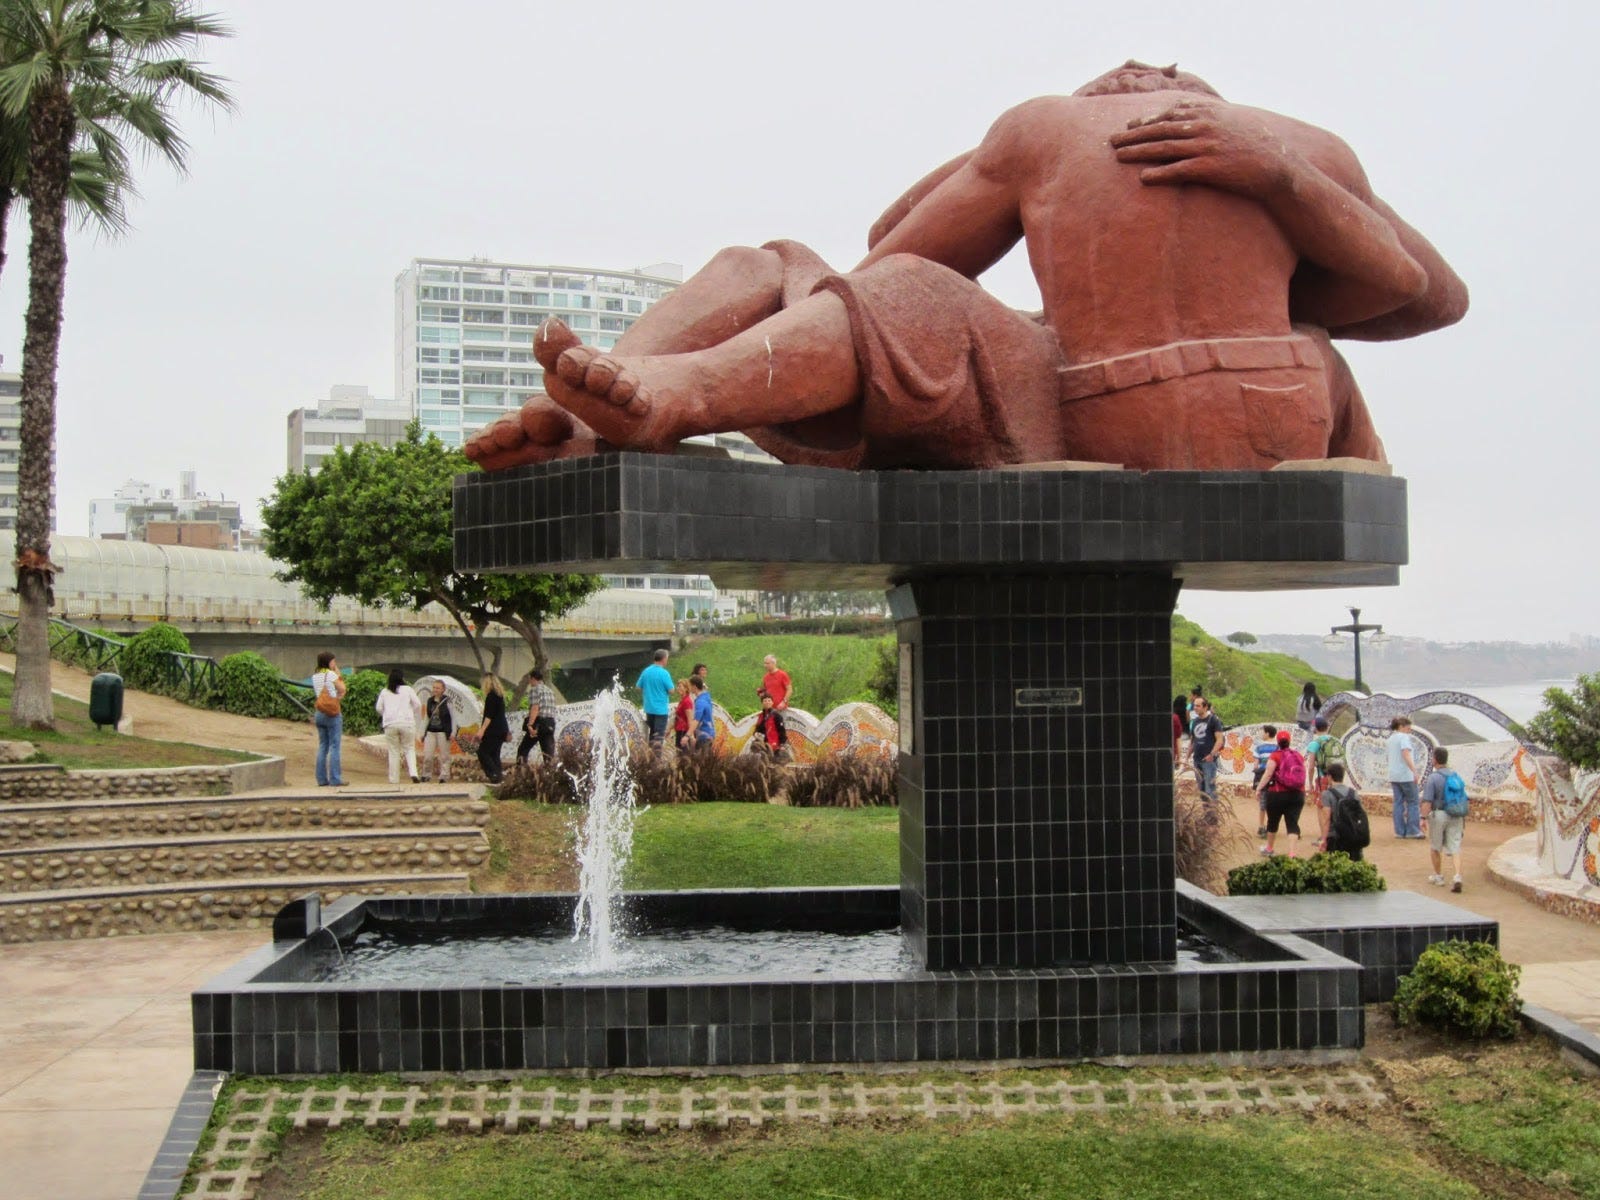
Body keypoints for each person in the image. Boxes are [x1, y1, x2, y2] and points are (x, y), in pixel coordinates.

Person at [465, 61, 1465, 474]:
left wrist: (1002, 154)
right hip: (1269, 421)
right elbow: (1428, 295)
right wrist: (1281, 179)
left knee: (827, 277)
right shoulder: (1304, 147)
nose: (1138, 83)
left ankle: (664, 393)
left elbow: (893, 254)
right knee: (800, 274)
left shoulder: (1052, 129)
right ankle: (592, 416)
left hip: (1091, 417)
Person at [1421, 746, 1467, 892]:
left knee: (1435, 846)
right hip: (1456, 814)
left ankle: (1438, 876)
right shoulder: (1455, 775)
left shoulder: (1433, 778)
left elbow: (1427, 801)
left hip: (1439, 814)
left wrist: (1423, 818)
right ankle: (1457, 876)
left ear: (1435, 759)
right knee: (1455, 847)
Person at [1255, 729, 1306, 857]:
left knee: (1272, 822)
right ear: (1289, 741)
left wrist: (1259, 788)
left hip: (1277, 794)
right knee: (1292, 823)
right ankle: (1292, 853)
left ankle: (1269, 848)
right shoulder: (1298, 755)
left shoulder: (1275, 756)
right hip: (1297, 794)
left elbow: (1268, 774)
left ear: (1278, 742)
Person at [375, 669, 423, 784]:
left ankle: (394, 779)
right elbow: (418, 704)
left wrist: (386, 714)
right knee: (409, 748)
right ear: (402, 678)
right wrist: (411, 712)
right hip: (407, 723)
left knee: (393, 751)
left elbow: (378, 708)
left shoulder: (385, 691)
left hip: (390, 724)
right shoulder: (408, 689)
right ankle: (413, 773)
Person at [1316, 762, 1367, 861]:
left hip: (1335, 836)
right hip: (1353, 835)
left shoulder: (1327, 794)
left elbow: (1327, 819)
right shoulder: (1353, 793)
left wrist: (1323, 839)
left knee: (1334, 864)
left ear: (1330, 777)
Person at [311, 651, 347, 787]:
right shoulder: (331, 675)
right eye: (333, 661)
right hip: (332, 713)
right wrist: (337, 672)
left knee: (323, 746)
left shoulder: (315, 676)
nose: (335, 663)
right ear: (329, 662)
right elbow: (342, 688)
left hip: (320, 712)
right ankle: (335, 779)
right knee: (334, 746)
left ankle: (321, 779)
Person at [1386, 715, 1422, 838]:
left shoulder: (1390, 739)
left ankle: (1399, 831)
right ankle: (1413, 830)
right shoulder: (1404, 737)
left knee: (1398, 803)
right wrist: (1414, 771)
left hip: (1394, 775)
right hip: (1405, 775)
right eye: (1408, 728)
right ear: (1401, 726)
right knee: (1413, 802)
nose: (1409, 731)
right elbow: (1405, 753)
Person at [516, 667, 559, 766]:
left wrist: (530, 725)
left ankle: (521, 770)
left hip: (539, 723)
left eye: (530, 679)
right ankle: (550, 772)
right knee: (548, 753)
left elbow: (535, 708)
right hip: (550, 722)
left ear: (533, 678)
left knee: (523, 749)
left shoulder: (534, 690)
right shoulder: (549, 691)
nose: (529, 682)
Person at [1188, 696, 1225, 804]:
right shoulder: (1195, 721)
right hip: (1197, 760)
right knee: (1202, 790)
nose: (1195, 708)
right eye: (1194, 706)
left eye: (1198, 706)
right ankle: (1206, 812)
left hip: (1209, 761)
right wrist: (1187, 757)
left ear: (1205, 707)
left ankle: (1213, 812)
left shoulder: (1213, 720)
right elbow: (1193, 740)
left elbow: (1220, 740)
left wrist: (1211, 754)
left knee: (1210, 789)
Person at [636, 648, 674, 748]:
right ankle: (656, 756)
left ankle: (649, 755)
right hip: (660, 710)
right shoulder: (664, 673)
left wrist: (648, 691)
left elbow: (638, 687)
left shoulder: (646, 671)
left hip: (649, 708)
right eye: (667, 658)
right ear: (664, 659)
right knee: (659, 737)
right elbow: (671, 690)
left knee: (652, 734)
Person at [477, 674, 510, 783]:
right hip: (502, 728)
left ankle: (493, 773)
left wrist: (482, 730)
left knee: (483, 752)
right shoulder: (499, 695)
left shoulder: (491, 696)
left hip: (493, 729)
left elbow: (489, 716)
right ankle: (498, 776)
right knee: (495, 754)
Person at [421, 679, 453, 783]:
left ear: (443, 689)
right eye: (434, 687)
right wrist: (422, 732)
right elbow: (426, 717)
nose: (435, 690)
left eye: (438, 688)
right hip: (431, 731)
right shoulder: (430, 701)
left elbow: (453, 717)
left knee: (444, 756)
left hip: (443, 731)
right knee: (428, 755)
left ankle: (444, 775)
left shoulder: (447, 701)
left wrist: (453, 732)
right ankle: (426, 774)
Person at [1251, 725, 1279, 837]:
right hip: (1275, 778)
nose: (1261, 734)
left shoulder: (1259, 748)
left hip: (1263, 777)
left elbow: (1256, 765)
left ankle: (1261, 826)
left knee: (1262, 803)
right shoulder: (1278, 748)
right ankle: (1271, 826)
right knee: (1274, 803)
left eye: (1263, 732)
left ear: (1267, 733)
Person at [751, 689, 788, 757]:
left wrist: (782, 744)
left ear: (772, 702)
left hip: (775, 745)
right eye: (765, 701)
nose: (767, 702)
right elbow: (757, 729)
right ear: (762, 703)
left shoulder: (777, 715)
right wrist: (755, 733)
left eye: (769, 700)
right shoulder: (761, 716)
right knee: (754, 747)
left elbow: (782, 731)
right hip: (763, 744)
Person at [689, 675, 715, 747]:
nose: (689, 688)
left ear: (694, 687)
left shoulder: (700, 701)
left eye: (690, 685)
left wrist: (687, 735)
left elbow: (696, 720)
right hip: (709, 733)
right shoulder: (706, 697)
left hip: (704, 735)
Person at [672, 678, 695, 751]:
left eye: (680, 686)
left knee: (682, 754)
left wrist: (691, 735)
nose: (678, 688)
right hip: (680, 730)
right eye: (678, 686)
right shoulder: (682, 700)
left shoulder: (686, 701)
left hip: (683, 731)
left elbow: (690, 719)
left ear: (686, 689)